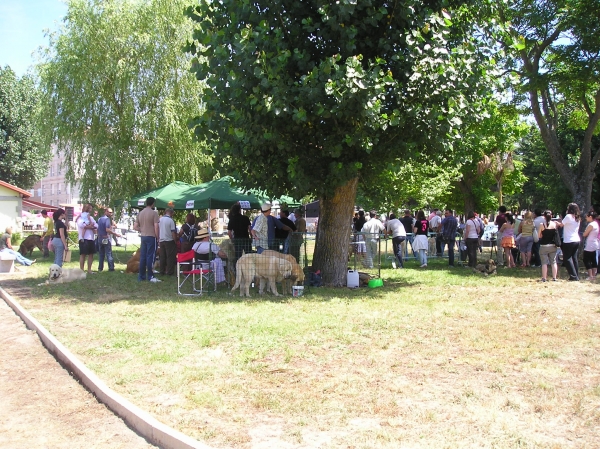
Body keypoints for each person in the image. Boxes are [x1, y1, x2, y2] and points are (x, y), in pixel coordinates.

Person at [133, 196, 161, 283]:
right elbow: (156, 226)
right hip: (151, 236)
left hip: (143, 236)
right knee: (151, 256)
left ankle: (141, 276)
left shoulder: (140, 213)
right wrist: (158, 237)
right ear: (153, 203)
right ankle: (150, 275)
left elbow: (135, 227)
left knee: (143, 257)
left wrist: (142, 229)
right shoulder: (154, 213)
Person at [558, 202, 581, 281]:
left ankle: (573, 276)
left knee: (567, 258)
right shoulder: (577, 217)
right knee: (574, 258)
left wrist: (557, 222)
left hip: (569, 240)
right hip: (576, 239)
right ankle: (576, 274)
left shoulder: (568, 216)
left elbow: (561, 225)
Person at [536, 210, 559, 282]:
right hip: (553, 245)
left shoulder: (541, 225)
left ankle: (544, 278)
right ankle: (554, 277)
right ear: (551, 216)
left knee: (544, 262)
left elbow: (539, 236)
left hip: (544, 246)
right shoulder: (554, 224)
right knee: (553, 262)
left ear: (544, 217)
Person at [77, 203, 97, 275]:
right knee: (83, 254)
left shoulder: (91, 217)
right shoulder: (81, 217)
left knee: (91, 254)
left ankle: (89, 270)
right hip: (83, 239)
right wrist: (91, 227)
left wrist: (91, 226)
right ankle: (81, 270)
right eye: (90, 208)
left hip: (91, 238)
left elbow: (96, 225)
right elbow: (81, 225)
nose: (91, 210)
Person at [158, 208, 177, 276]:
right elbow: (173, 233)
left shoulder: (160, 219)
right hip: (169, 240)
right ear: (171, 213)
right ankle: (169, 272)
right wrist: (175, 240)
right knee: (170, 257)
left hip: (161, 240)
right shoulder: (171, 221)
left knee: (162, 256)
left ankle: (161, 271)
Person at [582, 210, 599, 280]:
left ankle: (590, 275)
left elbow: (584, 234)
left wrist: (583, 233)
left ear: (590, 217)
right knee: (593, 259)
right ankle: (594, 274)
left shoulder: (591, 225)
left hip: (590, 244)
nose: (586, 218)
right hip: (595, 243)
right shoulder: (596, 223)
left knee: (586, 259)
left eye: (587, 217)